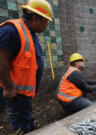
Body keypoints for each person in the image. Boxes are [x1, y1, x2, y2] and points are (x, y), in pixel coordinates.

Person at [0, 0, 53, 134]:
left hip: (23, 95)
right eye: (45, 21)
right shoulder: (12, 30)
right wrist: (9, 87)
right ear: (35, 18)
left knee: (26, 121)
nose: (46, 25)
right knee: (21, 128)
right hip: (15, 95)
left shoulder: (30, 33)